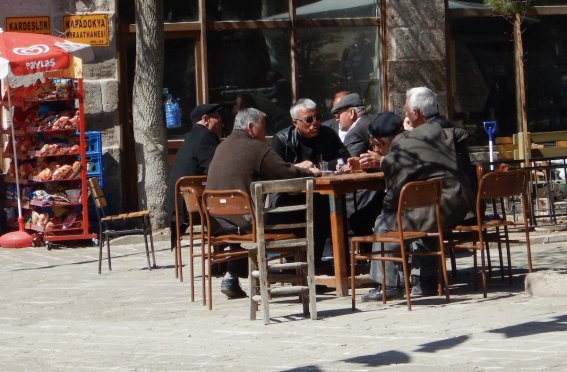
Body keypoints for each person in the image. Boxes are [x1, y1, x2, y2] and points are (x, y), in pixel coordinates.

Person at [361, 110, 475, 302]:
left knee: (386, 221)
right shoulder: (430, 132)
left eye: (373, 145)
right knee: (419, 217)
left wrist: (386, 207)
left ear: (379, 141)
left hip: (439, 210)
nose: (374, 148)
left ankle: (388, 285)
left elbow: (394, 198)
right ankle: (425, 281)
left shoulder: (398, 155)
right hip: (460, 205)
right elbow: (460, 134)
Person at [206, 108, 320, 298]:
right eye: (263, 126)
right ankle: (292, 273)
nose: (266, 132)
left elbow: (275, 169)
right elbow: (284, 173)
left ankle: (232, 275)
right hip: (245, 221)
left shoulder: (222, 146)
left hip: (219, 219)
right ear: (251, 127)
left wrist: (292, 167)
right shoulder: (255, 148)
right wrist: (309, 172)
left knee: (254, 219)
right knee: (297, 214)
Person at [271, 98, 350, 271]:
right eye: (309, 119)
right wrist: (295, 167)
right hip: (290, 198)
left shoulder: (327, 134)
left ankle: (338, 265)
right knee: (316, 211)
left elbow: (343, 157)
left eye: (317, 117)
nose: (315, 123)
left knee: (332, 208)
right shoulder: (281, 139)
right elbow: (274, 171)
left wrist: (339, 164)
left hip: (321, 194)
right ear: (295, 123)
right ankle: (304, 267)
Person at [166, 103, 224, 250]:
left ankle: (220, 263)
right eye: (217, 118)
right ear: (206, 119)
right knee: (234, 214)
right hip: (190, 206)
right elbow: (214, 170)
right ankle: (227, 263)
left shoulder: (191, 137)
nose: (221, 123)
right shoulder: (206, 136)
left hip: (179, 206)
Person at [330, 93, 382, 237]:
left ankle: (350, 257)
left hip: (366, 195)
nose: (337, 119)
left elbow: (349, 161)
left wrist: (338, 165)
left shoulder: (355, 131)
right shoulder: (375, 120)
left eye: (339, 114)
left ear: (351, 113)